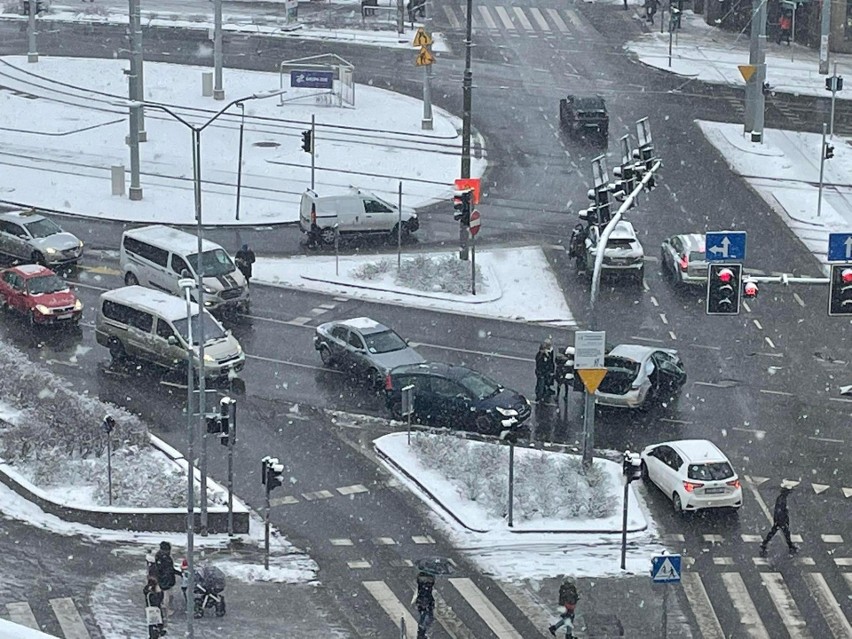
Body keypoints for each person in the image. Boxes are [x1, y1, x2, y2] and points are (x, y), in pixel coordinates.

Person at [760, 486, 797, 556]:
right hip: (781, 520)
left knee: (775, 532)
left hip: (779, 519)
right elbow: (780, 511)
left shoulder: (781, 498)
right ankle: (790, 546)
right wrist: (783, 520)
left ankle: (764, 543)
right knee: (785, 533)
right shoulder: (782, 499)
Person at [153, 542, 178, 617]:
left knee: (168, 596)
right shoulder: (163, 558)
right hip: (165, 580)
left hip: (166, 579)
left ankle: (165, 608)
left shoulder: (163, 557)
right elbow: (166, 569)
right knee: (166, 595)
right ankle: (166, 610)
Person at [411, 570, 435, 639]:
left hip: (424, 604)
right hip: (425, 604)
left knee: (425, 617)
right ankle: (422, 632)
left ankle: (421, 633)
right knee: (426, 617)